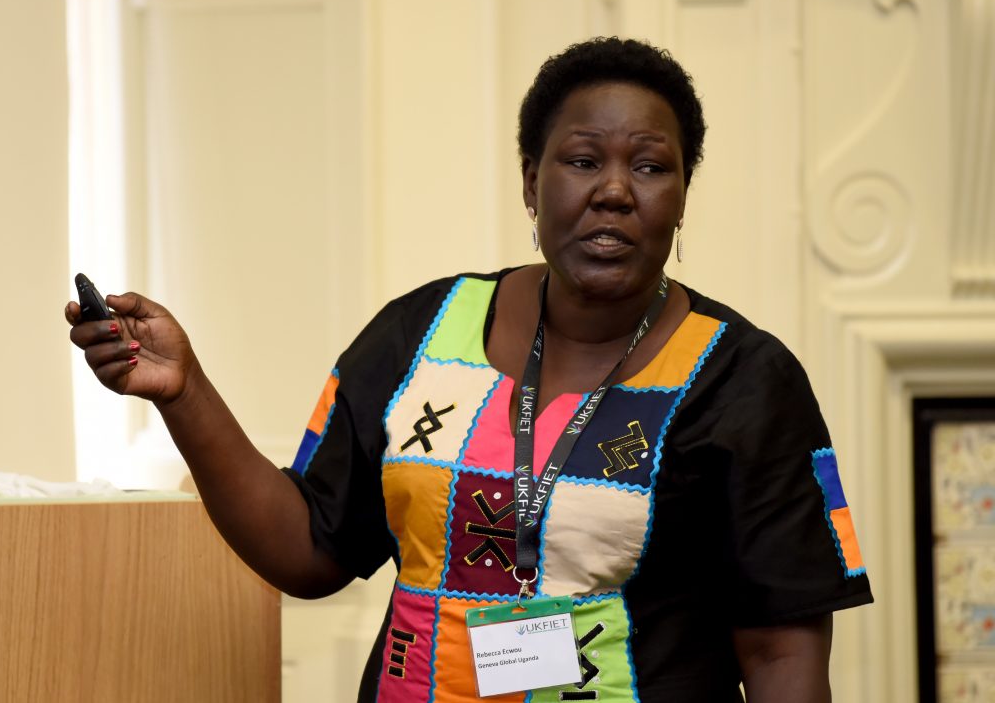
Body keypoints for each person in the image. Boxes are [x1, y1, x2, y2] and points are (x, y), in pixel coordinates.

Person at [66, 37, 872, 702]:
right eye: (583, 161)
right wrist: (184, 391)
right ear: (532, 182)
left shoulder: (744, 380)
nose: (616, 192)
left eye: (652, 167)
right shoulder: (421, 332)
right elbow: (310, 546)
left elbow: (782, 658)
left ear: (683, 194)